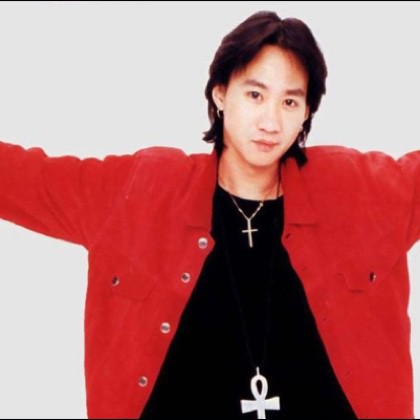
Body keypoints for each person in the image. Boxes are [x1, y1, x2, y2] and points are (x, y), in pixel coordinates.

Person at [0, 9, 419, 420]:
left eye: (290, 101)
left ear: (306, 111)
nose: (271, 121)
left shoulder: (361, 191)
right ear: (220, 93)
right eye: (255, 95)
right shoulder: (142, 189)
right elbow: (24, 179)